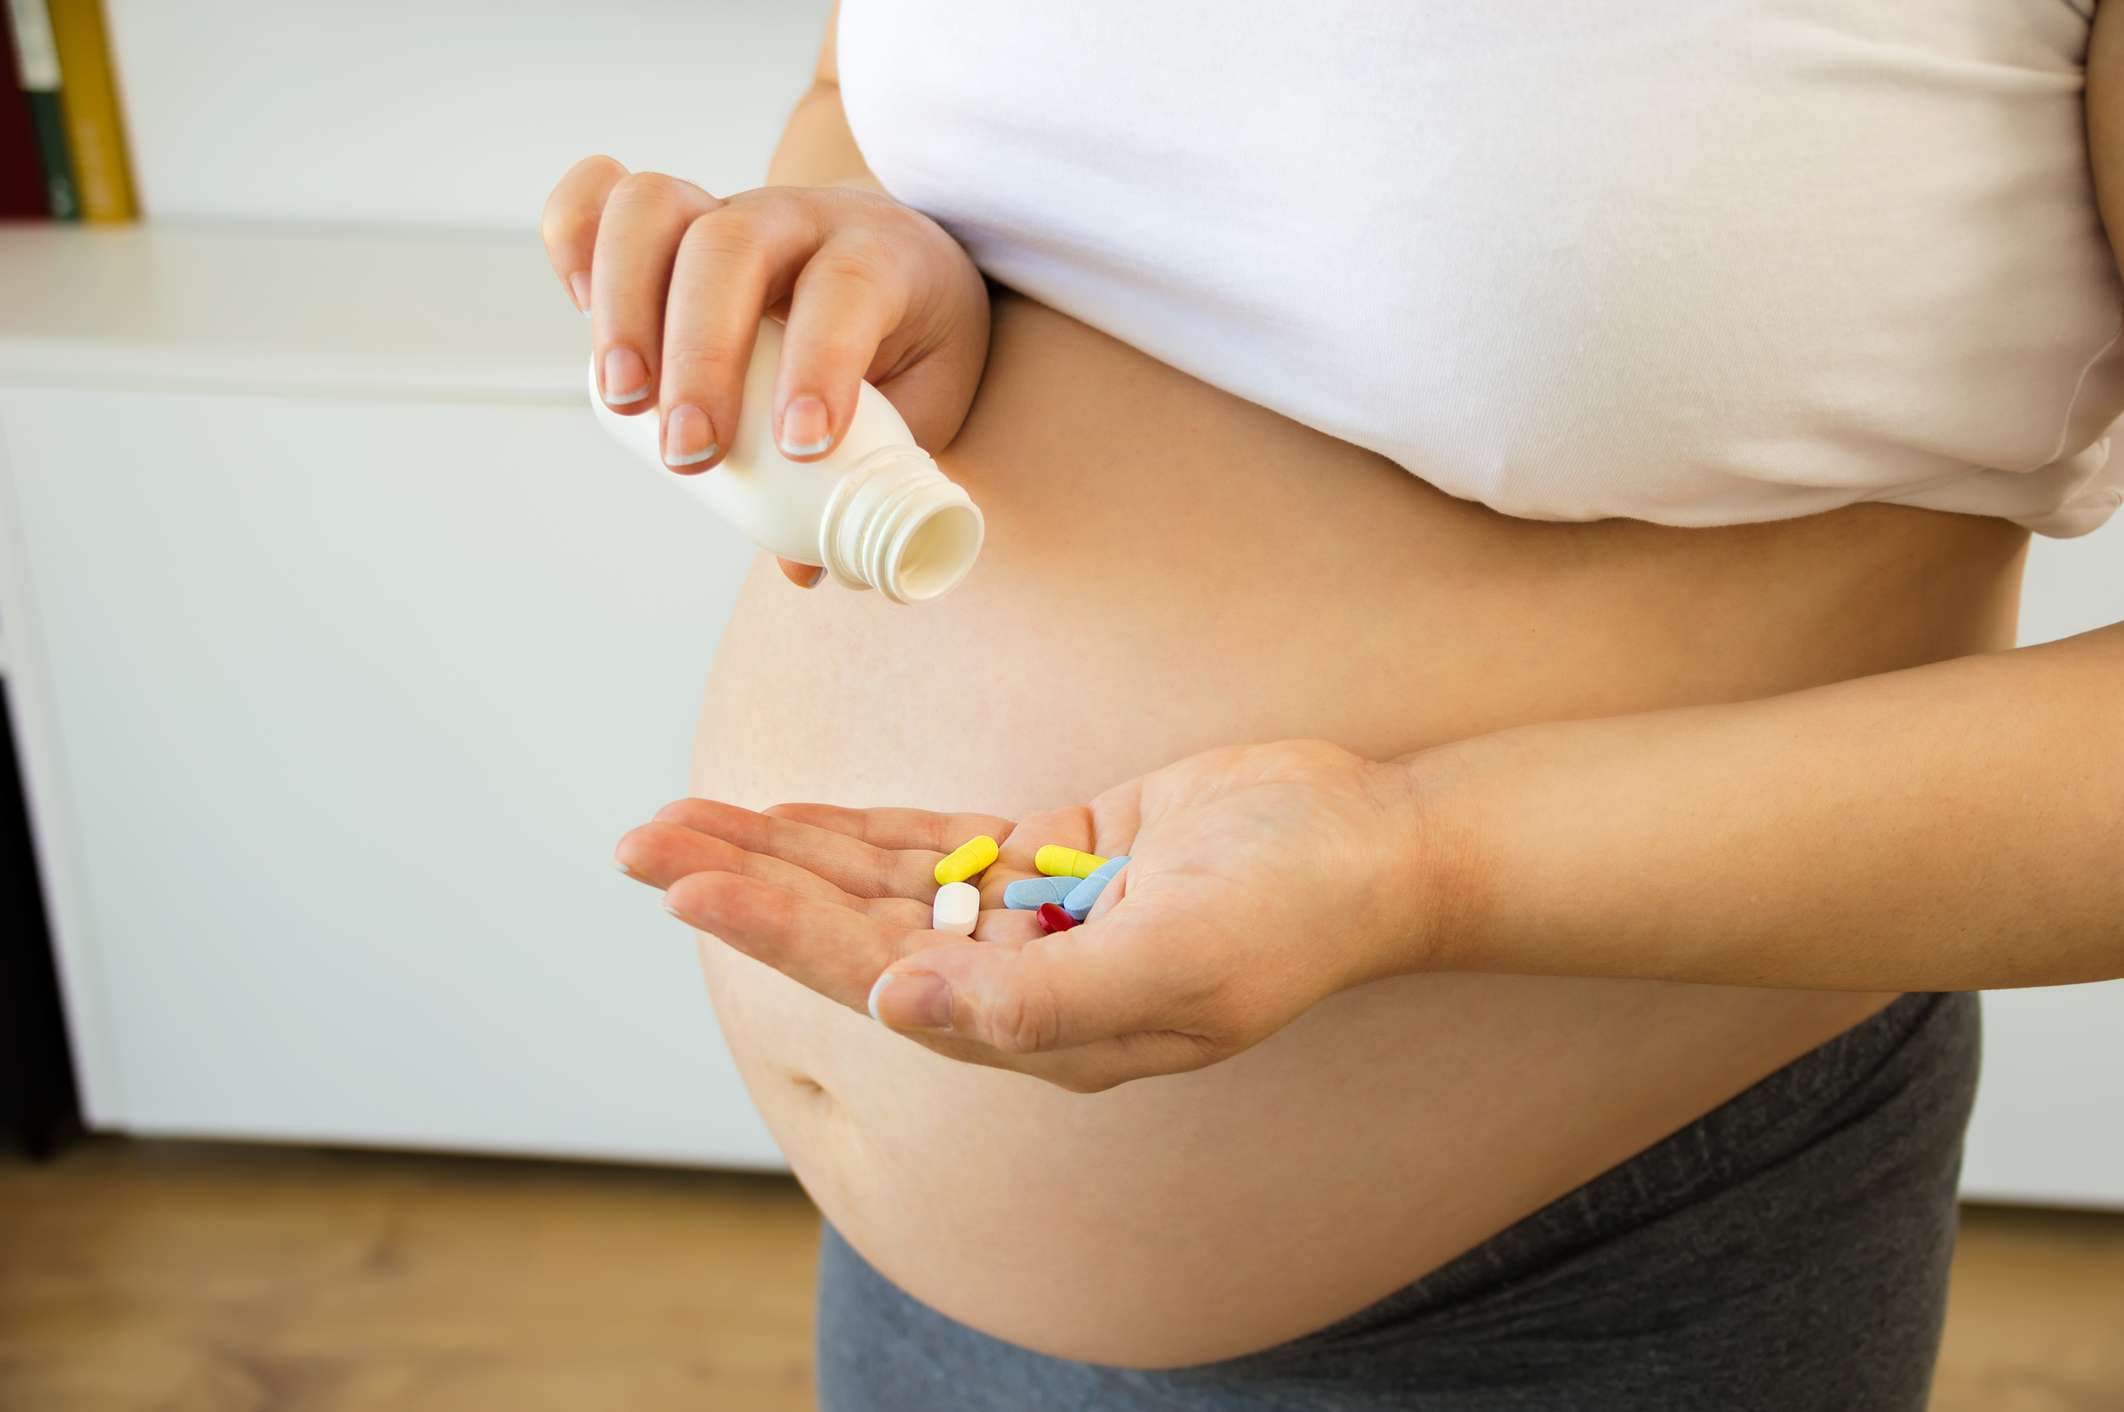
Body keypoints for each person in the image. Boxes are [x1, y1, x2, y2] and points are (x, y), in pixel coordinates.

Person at [551, 3, 2124, 1407]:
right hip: (909, 1273)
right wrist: (867, 231)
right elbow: (866, 82)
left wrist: (1419, 855)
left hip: (1567, 1270)